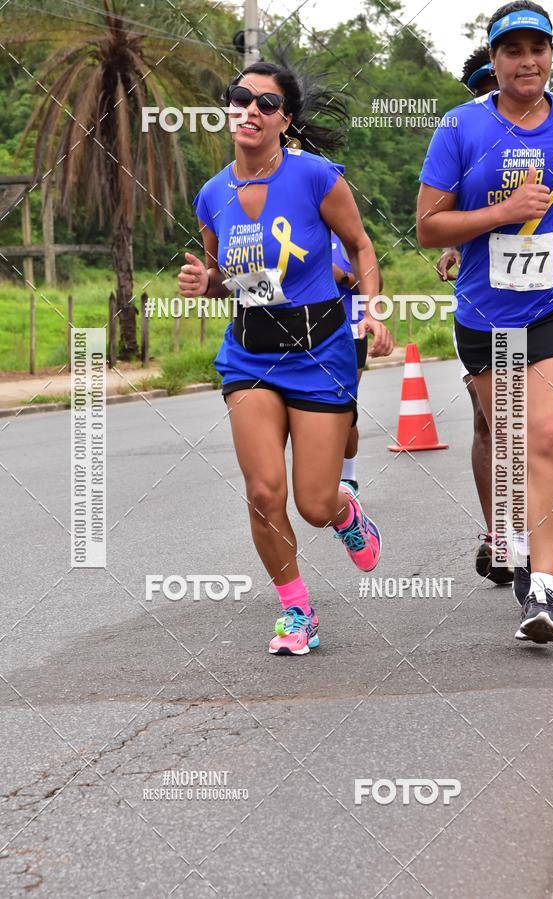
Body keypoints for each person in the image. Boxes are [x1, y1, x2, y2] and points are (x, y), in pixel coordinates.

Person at [178, 61, 393, 656]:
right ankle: (297, 611)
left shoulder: (316, 177)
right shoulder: (212, 195)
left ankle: (346, 514)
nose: (250, 109)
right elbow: (225, 280)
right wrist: (204, 283)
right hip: (250, 356)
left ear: (285, 120)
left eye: (266, 103)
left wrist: (372, 311)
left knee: (314, 503)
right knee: (264, 492)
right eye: (240, 97)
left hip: (320, 352)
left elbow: (360, 246)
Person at [417, 1, 553, 644]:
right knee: (511, 443)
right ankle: (511, 541)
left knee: (547, 437)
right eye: (513, 51)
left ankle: (541, 590)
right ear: (493, 61)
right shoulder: (461, 127)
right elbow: (428, 226)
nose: (527, 61)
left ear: (550, 55)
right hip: (488, 312)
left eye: (537, 49)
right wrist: (500, 212)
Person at [435, 48, 513, 586]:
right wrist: (452, 248)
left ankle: (532, 528)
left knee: (531, 426)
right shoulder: (462, 135)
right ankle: (499, 535)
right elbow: (443, 212)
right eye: (480, 87)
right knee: (488, 420)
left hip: (550, 302)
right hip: (484, 300)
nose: (489, 93)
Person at [331, 233, 384, 495]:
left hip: (350, 332)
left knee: (342, 407)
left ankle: (348, 478)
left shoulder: (344, 234)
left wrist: (342, 276)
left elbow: (377, 284)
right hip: (300, 333)